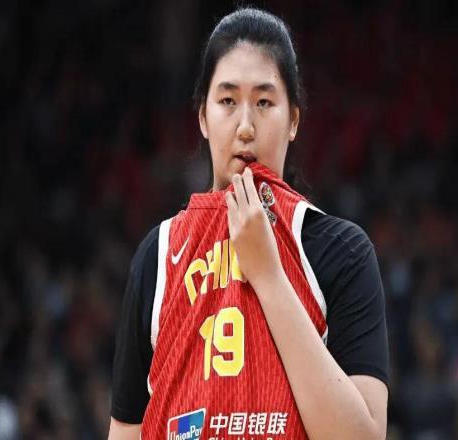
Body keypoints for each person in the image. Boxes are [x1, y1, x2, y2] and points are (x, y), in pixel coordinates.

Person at [109, 7, 389, 440]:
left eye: (263, 102)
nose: (245, 127)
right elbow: (126, 430)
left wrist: (269, 276)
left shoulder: (342, 251)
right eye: (227, 101)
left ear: (293, 120)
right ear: (202, 118)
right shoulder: (158, 255)